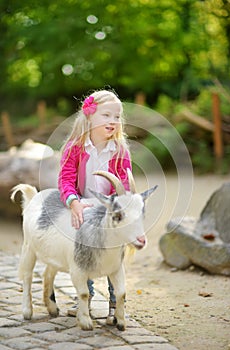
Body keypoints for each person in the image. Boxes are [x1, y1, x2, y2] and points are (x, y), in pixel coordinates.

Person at [58, 89, 132, 321]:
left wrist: (120, 205)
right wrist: (73, 203)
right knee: (84, 250)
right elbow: (66, 180)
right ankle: (85, 297)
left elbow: (124, 185)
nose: (113, 121)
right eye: (106, 115)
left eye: (117, 117)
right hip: (83, 207)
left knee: (113, 251)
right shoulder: (75, 148)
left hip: (109, 208)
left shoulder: (120, 150)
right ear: (90, 117)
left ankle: (115, 300)